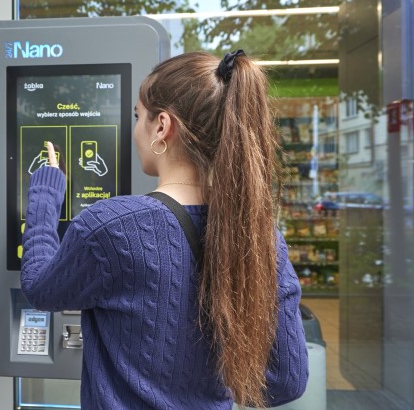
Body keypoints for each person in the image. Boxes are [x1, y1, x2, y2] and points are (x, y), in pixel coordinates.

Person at [21, 51, 309, 409]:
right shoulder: (260, 237)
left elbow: (39, 288)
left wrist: (45, 194)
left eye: (138, 116)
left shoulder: (110, 228)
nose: (135, 129)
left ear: (162, 126)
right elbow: (286, 380)